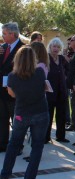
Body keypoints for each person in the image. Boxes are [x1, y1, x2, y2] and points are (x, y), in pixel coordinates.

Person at [0, 46, 49, 179]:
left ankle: (5, 173)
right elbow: (44, 88)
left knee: (13, 144)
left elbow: (12, 94)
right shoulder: (40, 72)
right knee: (37, 147)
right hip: (40, 112)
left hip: (22, 113)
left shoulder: (12, 76)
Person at [0, 22, 25, 153]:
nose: (2, 36)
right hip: (1, 91)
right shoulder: (2, 47)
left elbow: (24, 70)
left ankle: (17, 146)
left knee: (16, 120)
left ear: (13, 34)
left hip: (15, 91)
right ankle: (3, 144)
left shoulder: (24, 48)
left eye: (4, 33)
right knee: (2, 118)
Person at [45, 38, 69, 144]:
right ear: (50, 47)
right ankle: (46, 136)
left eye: (58, 47)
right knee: (48, 115)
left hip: (62, 91)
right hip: (50, 91)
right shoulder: (46, 58)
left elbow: (68, 70)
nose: (56, 49)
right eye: (54, 46)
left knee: (61, 115)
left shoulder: (62, 59)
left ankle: (61, 136)